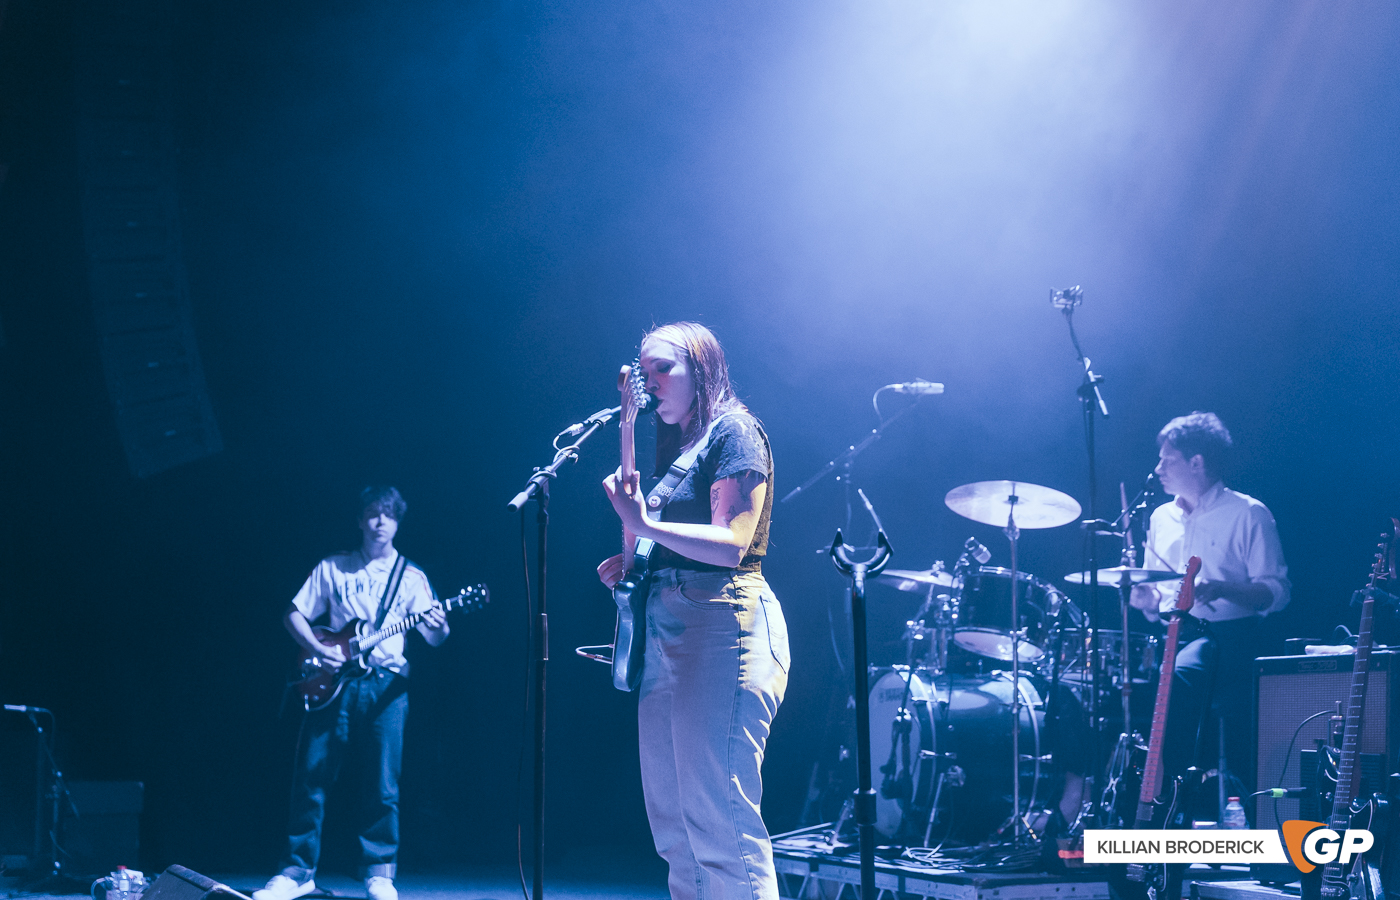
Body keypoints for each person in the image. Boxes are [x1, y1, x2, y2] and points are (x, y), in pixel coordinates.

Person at [597, 322, 790, 900]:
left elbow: (732, 543)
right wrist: (627, 426)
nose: (648, 379)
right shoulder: (679, 448)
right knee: (676, 831)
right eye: (643, 369)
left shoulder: (736, 432)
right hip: (669, 630)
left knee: (720, 823)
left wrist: (646, 524)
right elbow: (640, 539)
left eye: (663, 369)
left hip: (722, 626)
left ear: (701, 370)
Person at [254, 486, 449, 900]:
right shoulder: (334, 568)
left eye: (389, 516)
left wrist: (438, 621)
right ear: (360, 520)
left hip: (388, 685)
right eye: (373, 514)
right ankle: (296, 870)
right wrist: (319, 650)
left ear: (398, 523)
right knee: (311, 774)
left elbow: (435, 638)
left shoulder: (412, 578)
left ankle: (379, 871)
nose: (380, 522)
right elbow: (294, 612)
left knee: (383, 783)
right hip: (334, 683)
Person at [1129, 412, 1289, 799]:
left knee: (1176, 682)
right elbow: (1156, 592)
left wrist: (1221, 588)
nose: (1158, 469)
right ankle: (1156, 806)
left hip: (1229, 639)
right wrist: (1145, 601)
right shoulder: (1159, 517)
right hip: (1173, 634)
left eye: (1167, 459)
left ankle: (1177, 792)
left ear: (1196, 462)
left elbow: (1277, 592)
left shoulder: (1248, 512)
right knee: (1127, 687)